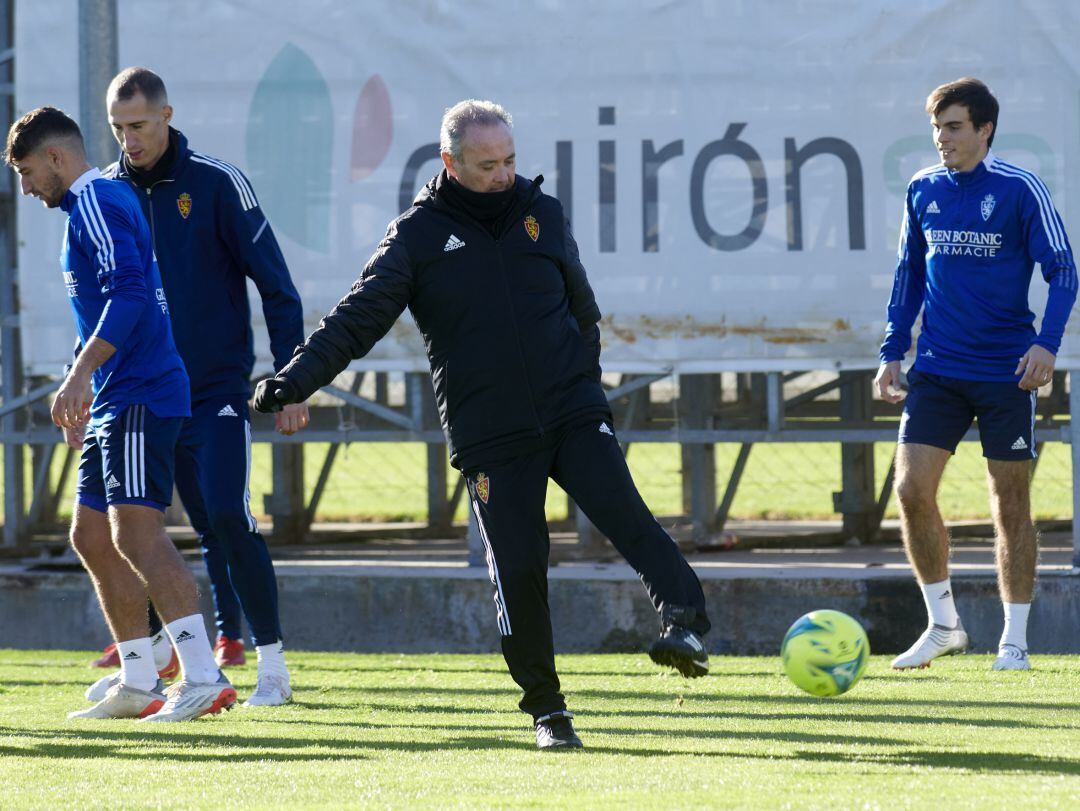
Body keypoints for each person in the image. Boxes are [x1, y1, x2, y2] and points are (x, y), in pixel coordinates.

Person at [252, 99, 712, 749]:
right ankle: (549, 713)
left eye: (511, 161)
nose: (503, 176)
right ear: (451, 162)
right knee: (520, 568)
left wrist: (582, 382)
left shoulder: (540, 213)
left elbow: (583, 310)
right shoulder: (416, 236)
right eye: (488, 165)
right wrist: (295, 380)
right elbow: (356, 320)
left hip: (572, 410)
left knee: (628, 516)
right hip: (491, 434)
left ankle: (685, 621)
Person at [83, 66, 308, 707]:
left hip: (213, 391)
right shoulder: (104, 195)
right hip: (142, 395)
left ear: (168, 115)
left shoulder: (215, 183)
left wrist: (291, 380)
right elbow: (99, 301)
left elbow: (277, 286)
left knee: (227, 519)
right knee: (123, 530)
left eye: (140, 126)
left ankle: (273, 669)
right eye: (118, 128)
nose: (130, 140)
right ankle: (149, 663)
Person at [5, 106, 235, 720]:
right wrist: (79, 379)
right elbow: (106, 307)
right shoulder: (91, 205)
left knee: (135, 532)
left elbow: (131, 293)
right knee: (89, 536)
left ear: (56, 158)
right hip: (113, 396)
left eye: (28, 172)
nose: (26, 188)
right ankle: (138, 678)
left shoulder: (98, 201)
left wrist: (82, 375)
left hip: (141, 392)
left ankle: (204, 677)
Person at [876, 77, 1077, 672]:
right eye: (937, 127)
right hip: (936, 369)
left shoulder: (1020, 190)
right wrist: (892, 351)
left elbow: (1063, 272)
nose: (943, 138)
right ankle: (943, 625)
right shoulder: (922, 188)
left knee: (1009, 500)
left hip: (1006, 373)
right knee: (911, 491)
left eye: (954, 126)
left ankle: (1014, 639)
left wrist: (1046, 345)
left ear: (985, 129)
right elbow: (908, 274)